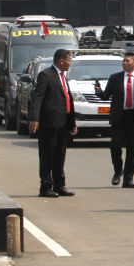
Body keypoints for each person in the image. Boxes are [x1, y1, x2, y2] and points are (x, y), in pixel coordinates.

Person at [95, 52, 134, 188]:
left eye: (127, 61)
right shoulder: (115, 78)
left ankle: (128, 179)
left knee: (133, 149)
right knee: (115, 146)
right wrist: (98, 91)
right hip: (119, 117)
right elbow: (105, 96)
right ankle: (118, 170)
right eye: (123, 61)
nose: (124, 63)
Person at [29, 49, 77, 198]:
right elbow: (37, 98)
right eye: (69, 60)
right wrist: (34, 118)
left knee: (60, 155)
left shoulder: (63, 77)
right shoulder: (46, 75)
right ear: (61, 61)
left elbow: (67, 100)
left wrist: (72, 122)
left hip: (63, 123)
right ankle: (45, 187)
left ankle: (59, 185)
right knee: (47, 155)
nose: (70, 63)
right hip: (49, 123)